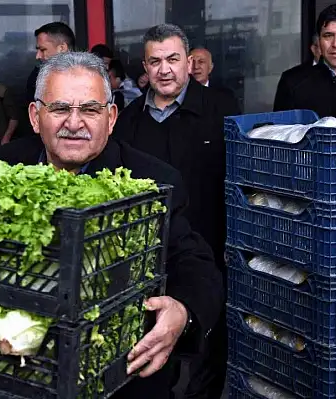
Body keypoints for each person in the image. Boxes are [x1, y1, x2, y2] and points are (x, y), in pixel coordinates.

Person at [0, 50, 224, 399]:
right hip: (23, 371)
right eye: (59, 109)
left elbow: (194, 263)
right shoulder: (1, 169)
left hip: (121, 379)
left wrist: (183, 312)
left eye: (89, 109)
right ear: (35, 116)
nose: (74, 122)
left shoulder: (153, 180)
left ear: (111, 117)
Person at [112, 24, 240, 399]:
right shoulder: (128, 120)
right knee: (155, 344)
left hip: (213, 245)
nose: (164, 69)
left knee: (210, 344)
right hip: (151, 255)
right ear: (145, 67)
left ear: (189, 61)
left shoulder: (221, 107)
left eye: (172, 59)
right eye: (155, 61)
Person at [26, 22, 75, 103]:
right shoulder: (36, 78)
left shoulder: (92, 76)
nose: (37, 56)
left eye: (42, 50)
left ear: (62, 48)